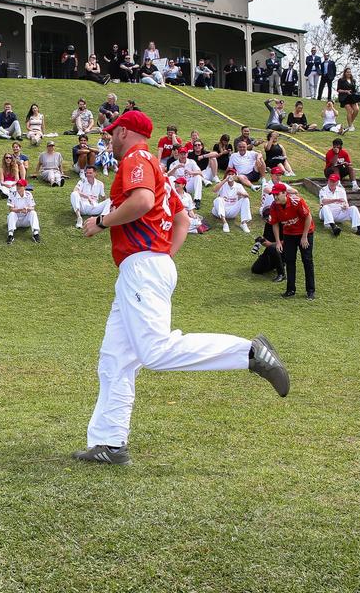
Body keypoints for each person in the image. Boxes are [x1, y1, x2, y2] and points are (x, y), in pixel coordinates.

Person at [73, 109, 290, 466]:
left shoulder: (138, 158)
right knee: (114, 359)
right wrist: (166, 256)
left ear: (125, 131)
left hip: (142, 265)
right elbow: (182, 217)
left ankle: (248, 353)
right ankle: (110, 444)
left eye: (113, 131)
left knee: (156, 352)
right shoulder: (157, 168)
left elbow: (141, 202)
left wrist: (101, 221)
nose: (109, 137)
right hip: (147, 265)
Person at [268, 183, 315, 300]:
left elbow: (308, 217)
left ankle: (310, 291)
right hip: (289, 234)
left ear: (285, 193)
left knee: (307, 261)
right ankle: (290, 290)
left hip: (305, 232)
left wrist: (304, 237)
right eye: (273, 195)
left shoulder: (297, 201)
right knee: (289, 261)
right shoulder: (274, 206)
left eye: (277, 195)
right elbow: (274, 223)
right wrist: (278, 241)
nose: (275, 197)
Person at [318, 172, 360, 237]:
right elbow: (324, 202)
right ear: (328, 181)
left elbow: (345, 202)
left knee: (353, 208)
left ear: (337, 182)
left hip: (339, 213)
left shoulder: (341, 190)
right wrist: (336, 200)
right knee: (325, 207)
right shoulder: (323, 190)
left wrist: (346, 206)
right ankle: (333, 227)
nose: (332, 183)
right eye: (330, 181)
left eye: (334, 182)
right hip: (325, 214)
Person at [211, 167, 252, 233]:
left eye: (232, 174)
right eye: (229, 174)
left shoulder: (238, 186)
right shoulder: (223, 184)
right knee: (218, 199)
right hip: (219, 211)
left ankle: (244, 223)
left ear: (235, 176)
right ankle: (225, 223)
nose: (230, 176)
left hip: (232, 211)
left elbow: (247, 195)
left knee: (245, 199)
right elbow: (214, 190)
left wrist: (241, 193)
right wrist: (225, 180)